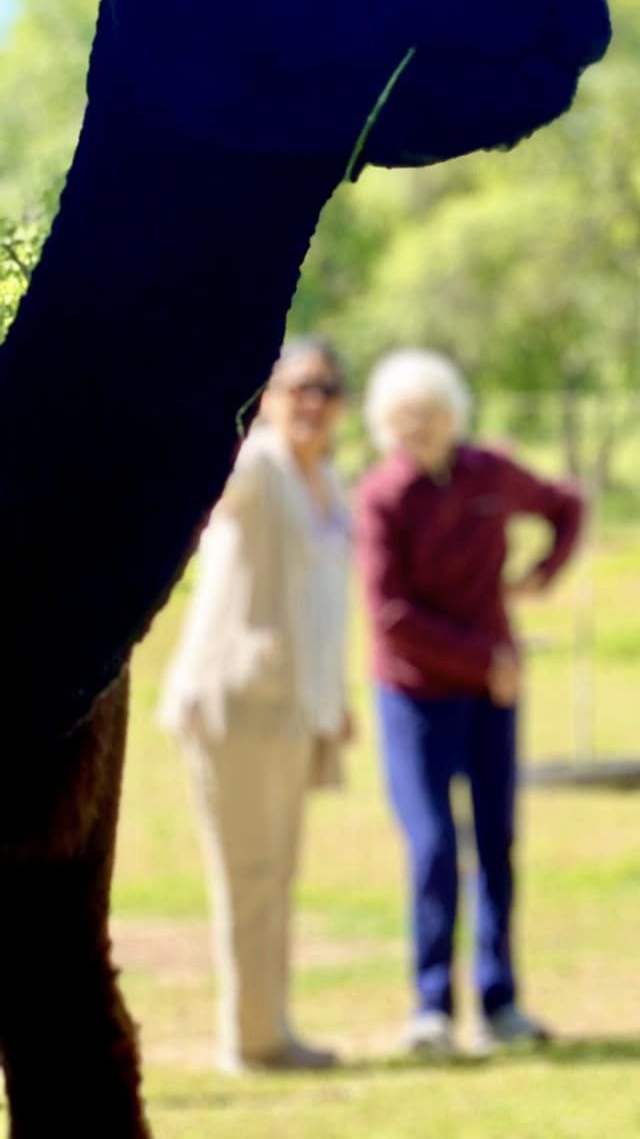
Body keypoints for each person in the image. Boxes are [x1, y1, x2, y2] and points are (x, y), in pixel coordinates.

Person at [355, 348, 584, 1057]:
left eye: (426, 415)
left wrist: (539, 577)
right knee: (431, 847)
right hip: (415, 696)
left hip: (493, 694)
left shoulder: (489, 473)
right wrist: (487, 658)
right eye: (399, 419)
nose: (413, 429)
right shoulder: (382, 497)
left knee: (497, 844)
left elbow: (566, 506)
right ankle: (431, 1007)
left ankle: (500, 999)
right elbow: (390, 615)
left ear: (454, 417)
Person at [158, 336, 354, 1075]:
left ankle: (271, 1027)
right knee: (248, 876)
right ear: (269, 398)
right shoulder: (257, 468)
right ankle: (252, 1040)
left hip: (298, 707)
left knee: (277, 873)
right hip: (235, 701)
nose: (312, 403)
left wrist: (336, 696)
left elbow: (326, 600)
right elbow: (203, 492)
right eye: (298, 387)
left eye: (327, 391)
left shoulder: (329, 481)